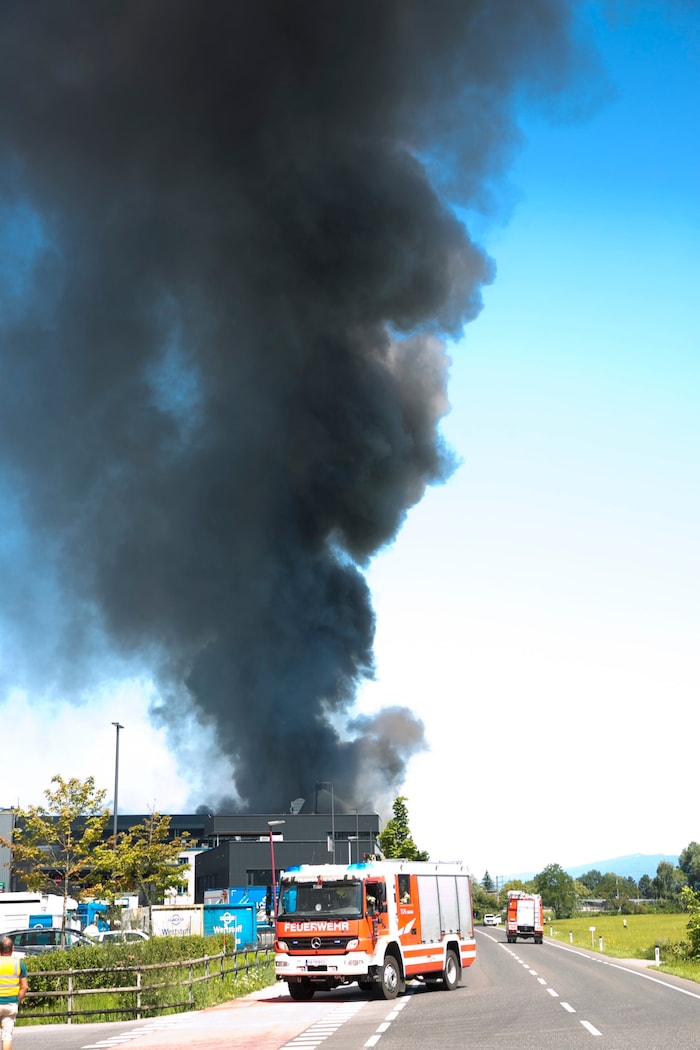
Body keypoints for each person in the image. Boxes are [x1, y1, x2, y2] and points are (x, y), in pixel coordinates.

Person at [0, 936, 28, 1050]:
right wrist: (17, 1001)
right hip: (11, 1004)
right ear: (13, 948)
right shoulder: (19, 964)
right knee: (6, 1037)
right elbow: (24, 987)